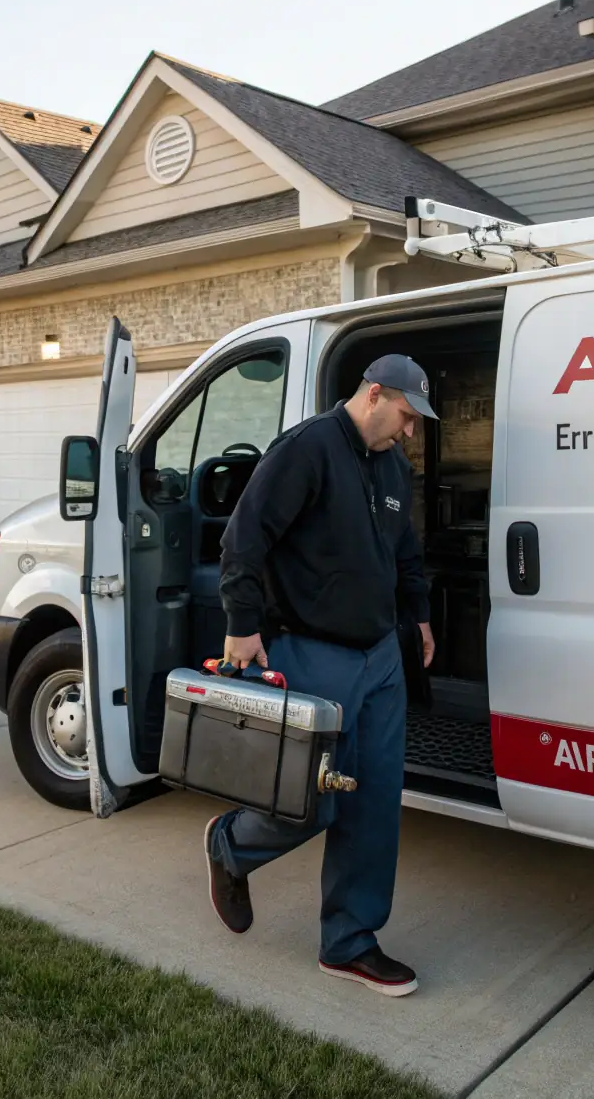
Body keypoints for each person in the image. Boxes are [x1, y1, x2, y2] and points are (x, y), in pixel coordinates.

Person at [204, 355, 437, 997]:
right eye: (406, 417)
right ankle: (231, 846)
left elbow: (404, 552)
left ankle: (350, 943)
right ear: (374, 394)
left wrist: (416, 618)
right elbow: (243, 539)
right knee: (309, 800)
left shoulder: (393, 467)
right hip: (312, 653)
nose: (409, 432)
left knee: (374, 802)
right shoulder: (308, 448)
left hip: (380, 656)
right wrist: (242, 624)